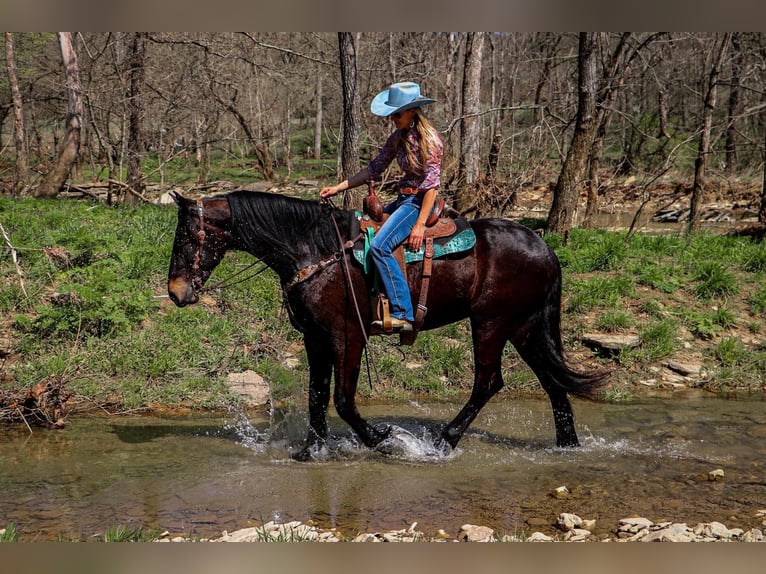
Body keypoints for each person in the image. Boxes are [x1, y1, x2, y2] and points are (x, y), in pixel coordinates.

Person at [320, 81, 443, 333]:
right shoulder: (398, 138)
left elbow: (431, 187)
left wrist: (419, 224)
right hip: (404, 199)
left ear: (412, 111)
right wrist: (338, 187)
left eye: (397, 114)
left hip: (420, 202)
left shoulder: (430, 141)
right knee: (362, 229)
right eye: (391, 114)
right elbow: (373, 169)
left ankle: (402, 312)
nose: (393, 119)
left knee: (380, 246)